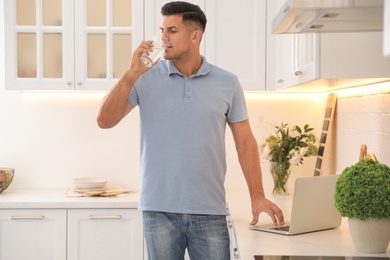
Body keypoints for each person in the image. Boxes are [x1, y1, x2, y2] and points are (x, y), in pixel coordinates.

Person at [97, 1, 284, 259]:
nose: (163, 38)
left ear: (195, 35)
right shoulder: (145, 77)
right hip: (158, 210)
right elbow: (104, 121)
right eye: (161, 30)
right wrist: (131, 73)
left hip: (211, 210)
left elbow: (245, 143)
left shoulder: (227, 83)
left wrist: (258, 195)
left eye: (172, 31)